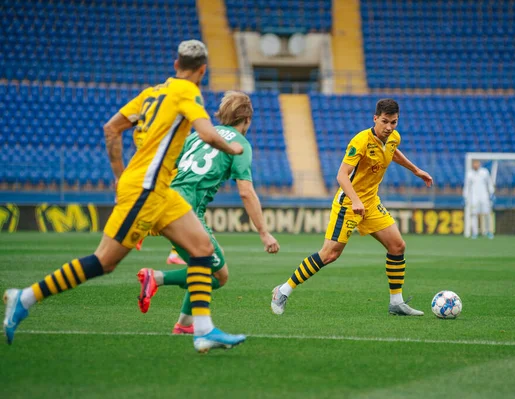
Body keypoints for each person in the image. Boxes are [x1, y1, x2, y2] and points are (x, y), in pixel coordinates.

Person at [3, 40, 247, 353]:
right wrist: (233, 147)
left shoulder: (150, 94)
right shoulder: (188, 92)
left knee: (202, 248)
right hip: (145, 190)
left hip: (158, 189)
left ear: (176, 65)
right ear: (202, 70)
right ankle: (25, 297)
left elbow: (111, 128)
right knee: (103, 261)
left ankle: (202, 330)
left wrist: (120, 176)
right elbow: (206, 133)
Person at [270, 99, 433, 316]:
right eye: (384, 121)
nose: (389, 127)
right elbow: (341, 175)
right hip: (348, 203)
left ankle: (396, 302)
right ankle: (282, 290)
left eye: (393, 122)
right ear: (375, 118)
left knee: (397, 246)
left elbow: (392, 151)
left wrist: (416, 170)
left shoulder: (393, 137)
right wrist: (355, 200)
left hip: (371, 202)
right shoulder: (361, 141)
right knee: (329, 254)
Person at [135, 91, 280, 334]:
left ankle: (184, 324)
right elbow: (246, 191)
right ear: (247, 120)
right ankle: (156, 278)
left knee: (205, 265)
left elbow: (165, 166)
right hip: (185, 212)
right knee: (218, 275)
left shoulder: (198, 136)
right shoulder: (240, 144)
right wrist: (264, 233)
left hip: (169, 203)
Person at [463, 159, 495, 239]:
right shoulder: (469, 174)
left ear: (479, 164)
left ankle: (488, 231)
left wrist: (491, 193)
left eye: (477, 163)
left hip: (484, 197)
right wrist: (465, 196)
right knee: (474, 214)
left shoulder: (484, 172)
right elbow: (467, 186)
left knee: (487, 214)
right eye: (474, 163)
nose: (475, 165)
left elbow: (489, 183)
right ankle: (475, 233)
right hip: (474, 197)